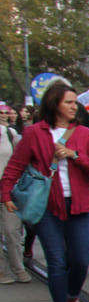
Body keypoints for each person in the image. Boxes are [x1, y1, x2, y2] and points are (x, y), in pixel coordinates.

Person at [1, 83, 89, 302]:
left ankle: (72, 296)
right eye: (68, 102)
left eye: (74, 102)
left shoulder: (84, 133)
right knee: (56, 262)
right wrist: (5, 194)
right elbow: (15, 165)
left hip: (79, 206)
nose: (74, 106)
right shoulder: (35, 133)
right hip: (48, 208)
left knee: (80, 261)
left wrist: (74, 155)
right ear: (54, 104)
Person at [0, 113, 30, 284]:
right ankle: (1, 270)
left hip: (9, 188)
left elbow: (21, 159)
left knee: (12, 230)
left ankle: (18, 267)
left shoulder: (9, 134)